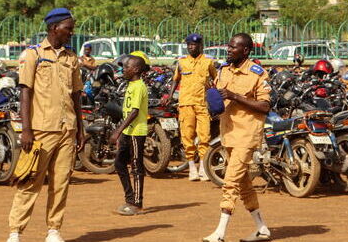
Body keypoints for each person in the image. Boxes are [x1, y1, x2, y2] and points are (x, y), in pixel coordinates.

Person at [6, 8, 85, 242]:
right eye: (68, 28)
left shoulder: (71, 57)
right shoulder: (33, 54)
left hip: (67, 129)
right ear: (54, 28)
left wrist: (80, 128)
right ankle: (15, 231)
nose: (71, 32)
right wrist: (26, 129)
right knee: (30, 180)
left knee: (61, 183)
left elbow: (77, 95)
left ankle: (54, 230)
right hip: (41, 130)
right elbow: (25, 92)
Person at [203, 33, 272, 242]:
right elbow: (217, 99)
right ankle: (262, 228)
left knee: (230, 182)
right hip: (228, 134)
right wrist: (211, 96)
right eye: (229, 46)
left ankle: (220, 233)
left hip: (246, 134)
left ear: (246, 51)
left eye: (234, 47)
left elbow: (265, 106)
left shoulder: (257, 74)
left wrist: (235, 96)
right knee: (244, 185)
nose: (229, 50)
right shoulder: (223, 70)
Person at [162, 33, 217, 181]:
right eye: (189, 45)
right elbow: (175, 80)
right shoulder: (181, 62)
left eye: (194, 45)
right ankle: (192, 167)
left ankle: (204, 168)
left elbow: (215, 79)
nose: (191, 47)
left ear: (200, 46)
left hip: (202, 104)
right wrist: (169, 95)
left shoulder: (208, 62)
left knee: (204, 136)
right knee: (187, 136)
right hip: (185, 104)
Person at [109, 52, 150, 216]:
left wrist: (117, 131)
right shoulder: (131, 85)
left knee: (136, 166)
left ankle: (137, 203)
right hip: (128, 130)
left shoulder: (139, 86)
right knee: (119, 163)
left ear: (136, 69)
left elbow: (134, 112)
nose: (123, 69)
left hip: (136, 132)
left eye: (127, 67)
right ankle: (130, 198)